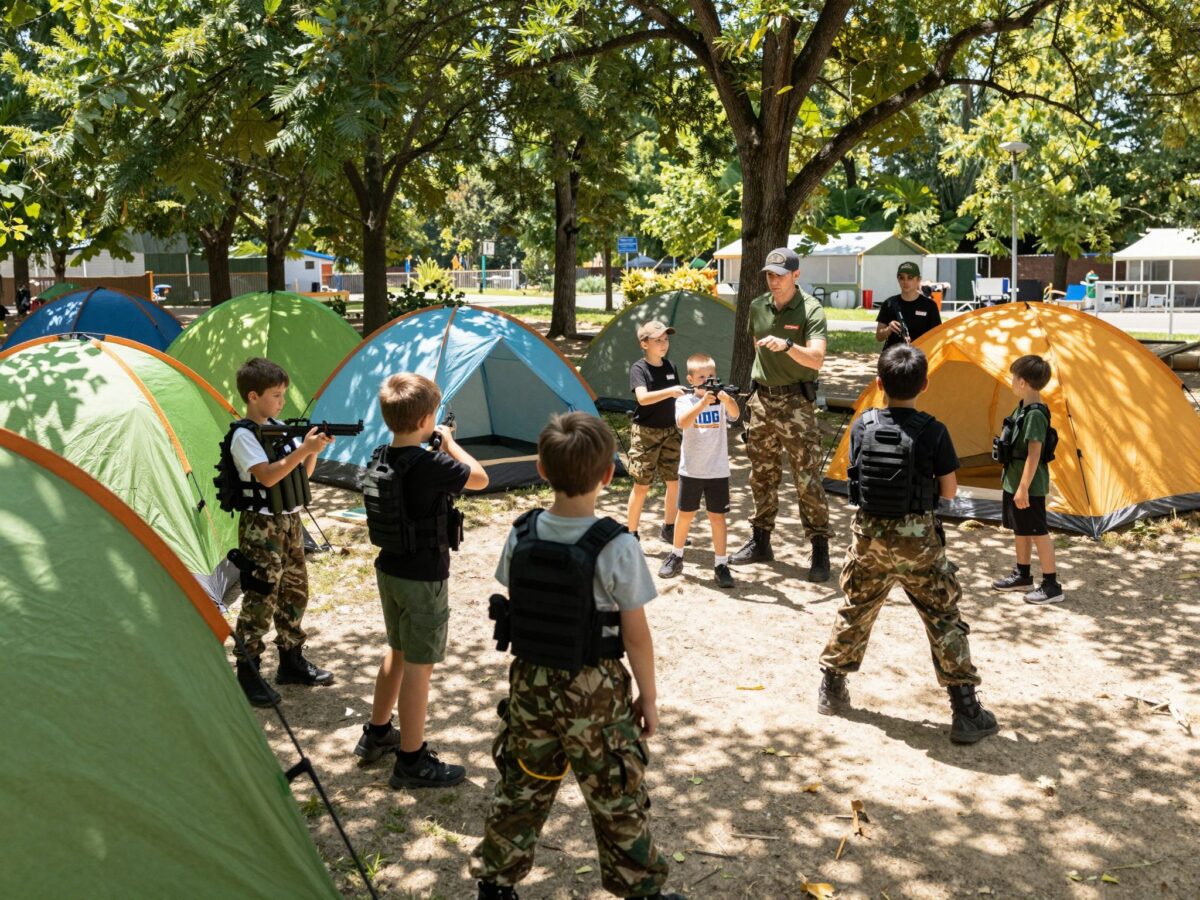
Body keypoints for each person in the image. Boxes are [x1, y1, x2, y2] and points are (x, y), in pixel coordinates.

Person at [471, 413, 683, 900]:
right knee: (615, 791)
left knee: (521, 787)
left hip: (530, 683)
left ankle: (495, 884)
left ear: (541, 470)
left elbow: (519, 597)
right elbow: (636, 636)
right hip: (595, 691)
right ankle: (641, 889)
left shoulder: (521, 533)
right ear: (608, 474)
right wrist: (648, 698)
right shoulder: (618, 545)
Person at [817, 344, 999, 744]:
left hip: (868, 539)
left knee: (856, 609)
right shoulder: (934, 430)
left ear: (879, 384)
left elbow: (855, 476)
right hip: (918, 543)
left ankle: (831, 687)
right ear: (925, 384)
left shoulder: (862, 425)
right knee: (943, 616)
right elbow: (949, 492)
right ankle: (966, 710)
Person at [354, 374, 489, 786]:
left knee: (397, 650)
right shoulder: (432, 464)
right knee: (419, 667)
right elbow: (479, 477)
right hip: (424, 578)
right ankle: (411, 760)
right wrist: (449, 443)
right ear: (425, 420)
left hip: (390, 570)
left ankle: (378, 732)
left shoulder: (381, 455)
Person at [221, 357, 335, 707]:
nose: (282, 402)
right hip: (262, 527)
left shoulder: (279, 428)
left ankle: (291, 660)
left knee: (295, 591)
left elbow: (301, 474)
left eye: (284, 394)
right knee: (261, 596)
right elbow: (268, 476)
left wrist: (312, 451)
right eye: (276, 395)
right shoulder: (244, 436)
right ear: (253, 396)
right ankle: (249, 672)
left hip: (289, 521)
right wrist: (303, 448)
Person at [730, 246, 832, 582]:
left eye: (780, 275)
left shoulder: (811, 309)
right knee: (761, 474)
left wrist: (788, 345)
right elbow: (756, 350)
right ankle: (761, 541)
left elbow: (817, 359)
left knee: (807, 478)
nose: (774, 281)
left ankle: (820, 548)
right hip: (762, 402)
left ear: (796, 275)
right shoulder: (758, 306)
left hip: (796, 404)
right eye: (770, 276)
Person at [658, 353, 740, 588]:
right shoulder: (684, 401)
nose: (707, 381)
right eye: (702, 377)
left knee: (718, 518)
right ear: (691, 380)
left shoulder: (721, 401)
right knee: (685, 514)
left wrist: (727, 399)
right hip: (691, 470)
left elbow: (735, 414)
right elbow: (682, 422)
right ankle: (676, 555)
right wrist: (703, 403)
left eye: (711, 376)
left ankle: (721, 564)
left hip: (717, 471)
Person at [991, 355, 1063, 604]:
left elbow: (1034, 454)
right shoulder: (1023, 407)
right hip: (1015, 481)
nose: (1011, 381)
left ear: (1022, 382)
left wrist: (1023, 489)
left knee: (1038, 532)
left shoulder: (1035, 415)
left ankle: (1052, 585)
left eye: (1013, 378)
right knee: (1021, 529)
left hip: (1028, 486)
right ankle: (1022, 575)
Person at [625, 320, 685, 543]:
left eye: (666, 339)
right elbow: (642, 398)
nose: (664, 344)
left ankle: (669, 528)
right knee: (642, 485)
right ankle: (631, 534)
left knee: (674, 482)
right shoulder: (638, 369)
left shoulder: (671, 367)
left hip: (670, 431)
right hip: (645, 433)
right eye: (658, 340)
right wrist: (670, 391)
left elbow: (678, 399)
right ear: (644, 344)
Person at [875, 261, 942, 349]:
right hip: (893, 355)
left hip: (919, 355)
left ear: (918, 279)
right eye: (902, 278)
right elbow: (879, 337)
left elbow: (937, 337)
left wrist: (918, 343)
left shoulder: (929, 306)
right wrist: (889, 329)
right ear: (898, 279)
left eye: (910, 278)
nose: (905, 282)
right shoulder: (889, 303)